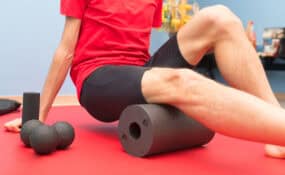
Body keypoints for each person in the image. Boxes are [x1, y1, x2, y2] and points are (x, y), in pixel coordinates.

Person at [4, 0, 285, 159]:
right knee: (183, 80)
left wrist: (229, 45)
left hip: (139, 69)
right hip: (97, 77)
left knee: (220, 17)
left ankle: (277, 136)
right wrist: (39, 115)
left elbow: (140, 45)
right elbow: (66, 51)